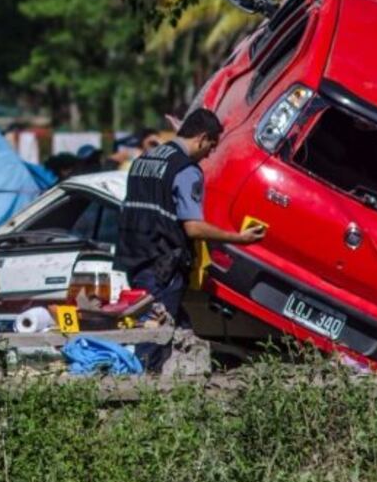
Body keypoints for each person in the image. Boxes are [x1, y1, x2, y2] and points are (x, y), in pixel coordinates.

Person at [114, 108, 265, 369]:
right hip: (162, 265)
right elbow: (193, 227)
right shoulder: (186, 170)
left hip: (133, 258)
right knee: (155, 337)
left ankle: (179, 391)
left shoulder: (145, 159)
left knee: (178, 331)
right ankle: (138, 394)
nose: (210, 153)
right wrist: (238, 238)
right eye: (212, 146)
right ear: (202, 138)